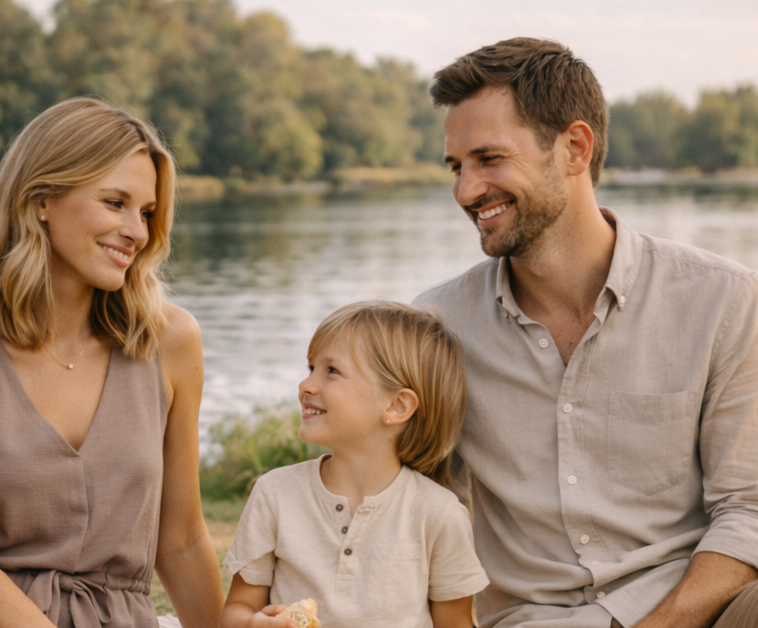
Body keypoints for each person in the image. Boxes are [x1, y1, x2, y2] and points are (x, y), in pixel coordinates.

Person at [412, 38, 758, 628]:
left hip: (698, 611)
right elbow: (403, 509)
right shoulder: (436, 327)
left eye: (489, 159)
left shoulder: (724, 300)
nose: (466, 192)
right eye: (456, 166)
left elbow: (748, 511)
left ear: (574, 148)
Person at [0, 98, 224, 628]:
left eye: (145, 213)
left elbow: (181, 539)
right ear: (43, 199)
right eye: (115, 202)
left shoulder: (171, 342)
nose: (137, 232)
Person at [219, 301, 489, 628]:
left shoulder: (440, 514)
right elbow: (237, 610)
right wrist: (253, 624)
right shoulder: (274, 493)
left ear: (397, 405)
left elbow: (456, 623)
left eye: (332, 371)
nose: (307, 385)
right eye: (311, 368)